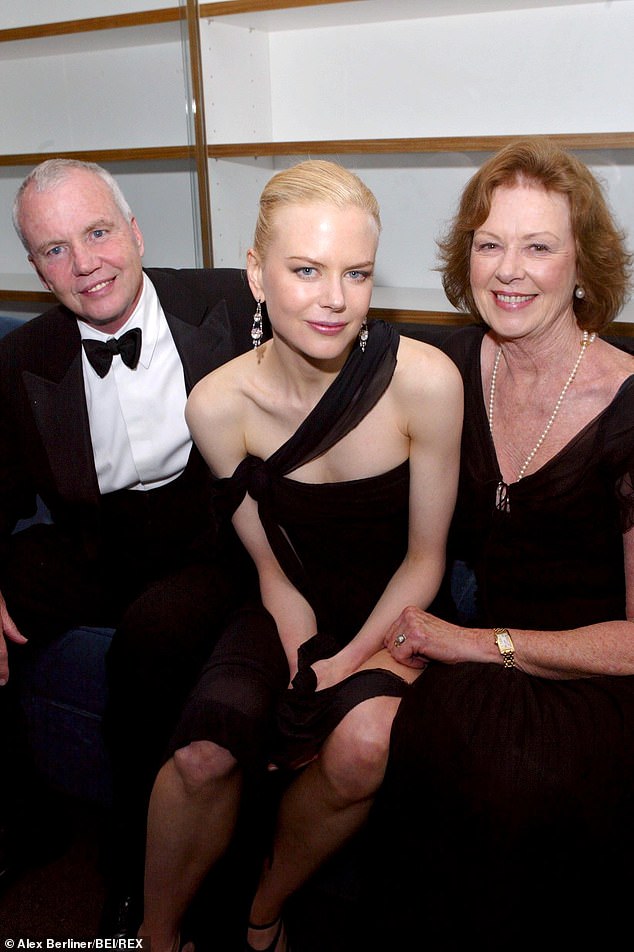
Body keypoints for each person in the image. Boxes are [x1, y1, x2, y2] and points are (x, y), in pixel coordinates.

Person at [137, 159, 463, 951]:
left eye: (356, 273)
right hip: (292, 598)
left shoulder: (425, 381)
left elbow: (426, 560)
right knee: (204, 753)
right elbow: (270, 566)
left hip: (400, 604)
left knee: (362, 744)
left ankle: (263, 907)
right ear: (257, 273)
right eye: (306, 270)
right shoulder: (215, 405)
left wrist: (346, 664)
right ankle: (156, 935)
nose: (334, 299)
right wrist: (296, 641)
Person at [369, 136, 634, 949]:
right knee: (417, 747)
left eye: (538, 246)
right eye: (490, 243)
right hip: (467, 652)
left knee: (515, 783)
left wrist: (474, 643)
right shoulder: (445, 366)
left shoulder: (627, 405)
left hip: (588, 672)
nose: (508, 269)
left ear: (583, 266)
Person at [1, 159, 257, 934]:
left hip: (210, 541)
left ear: (136, 231)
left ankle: (136, 873)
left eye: (99, 232)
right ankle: (26, 819)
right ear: (37, 267)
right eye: (54, 249)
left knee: (151, 642)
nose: (84, 264)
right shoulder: (20, 360)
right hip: (94, 540)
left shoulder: (235, 304)